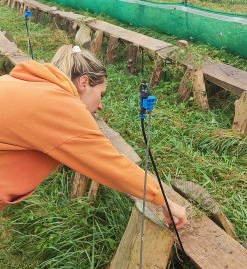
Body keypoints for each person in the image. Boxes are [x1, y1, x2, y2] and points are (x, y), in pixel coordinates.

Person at [0, 44, 187, 229]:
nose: (100, 106)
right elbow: (111, 165)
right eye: (101, 94)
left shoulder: (31, 84)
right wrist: (163, 200)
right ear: (84, 83)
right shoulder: (60, 106)